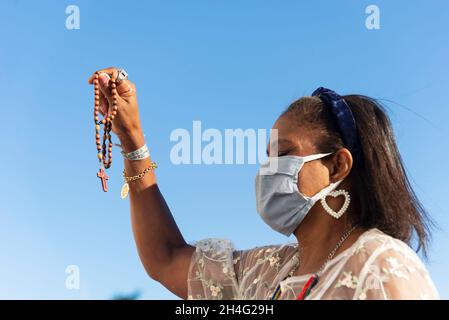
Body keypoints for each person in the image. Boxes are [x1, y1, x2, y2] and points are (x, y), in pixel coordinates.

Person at [88, 67, 440, 300]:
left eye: (283, 153)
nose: (267, 170)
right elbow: (165, 259)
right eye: (266, 156)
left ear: (337, 166)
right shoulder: (267, 272)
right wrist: (132, 140)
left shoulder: (382, 268)